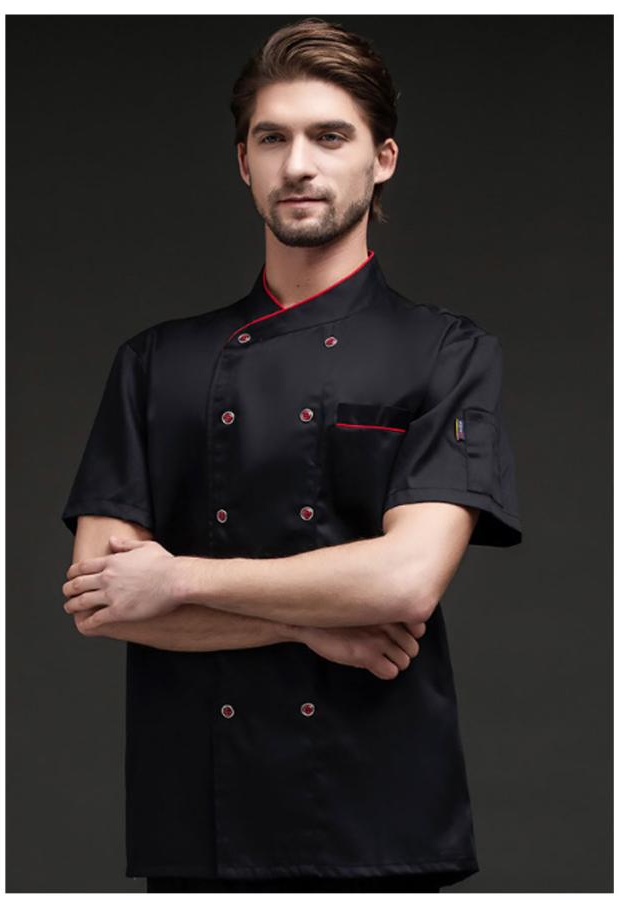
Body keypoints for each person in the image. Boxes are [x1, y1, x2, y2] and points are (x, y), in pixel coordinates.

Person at [60, 17, 522, 894]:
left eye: (330, 136)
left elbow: (405, 582)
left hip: (378, 813)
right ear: (244, 162)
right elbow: (105, 600)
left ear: (383, 158)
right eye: (272, 138)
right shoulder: (155, 361)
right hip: (199, 818)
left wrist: (178, 579)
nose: (298, 164)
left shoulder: (447, 352)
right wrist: (312, 622)